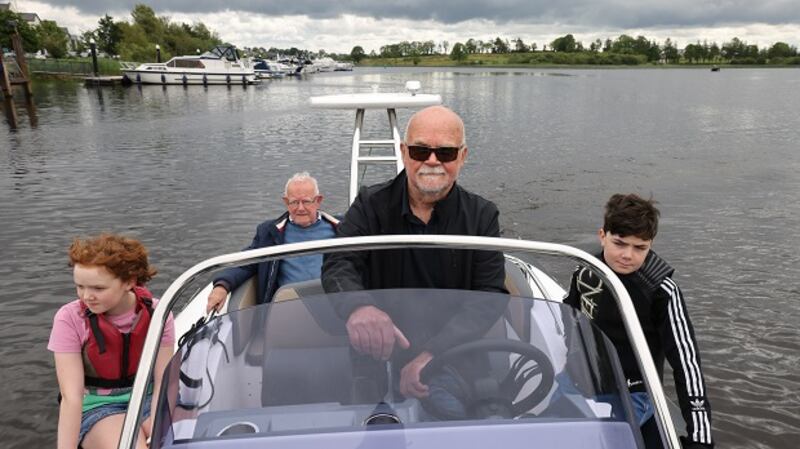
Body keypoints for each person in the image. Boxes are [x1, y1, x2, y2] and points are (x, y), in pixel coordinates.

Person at [321, 105, 507, 408]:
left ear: (462, 156)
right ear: (404, 152)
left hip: (455, 351)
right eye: (421, 151)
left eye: (445, 153)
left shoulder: (482, 215)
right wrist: (359, 307)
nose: (432, 161)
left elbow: (488, 297)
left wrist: (431, 356)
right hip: (378, 349)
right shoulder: (370, 204)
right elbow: (338, 262)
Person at [563, 194, 714, 448]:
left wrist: (700, 437)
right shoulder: (585, 272)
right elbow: (570, 320)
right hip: (580, 379)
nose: (627, 255)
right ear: (602, 235)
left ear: (650, 244)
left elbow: (687, 364)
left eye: (639, 247)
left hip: (633, 392)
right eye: (619, 243)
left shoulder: (661, 291)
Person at [49, 234, 175, 449]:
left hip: (147, 398)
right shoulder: (69, 319)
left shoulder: (158, 313)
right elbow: (71, 397)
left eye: (98, 288)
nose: (86, 297)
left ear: (129, 282)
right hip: (98, 406)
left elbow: (163, 381)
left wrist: (158, 428)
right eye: (80, 286)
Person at [207, 172, 339, 312]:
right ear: (286, 202)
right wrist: (222, 285)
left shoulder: (341, 228)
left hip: (335, 305)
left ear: (318, 201)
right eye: (294, 202)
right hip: (290, 310)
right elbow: (246, 262)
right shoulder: (270, 233)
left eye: (306, 201)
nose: (300, 208)